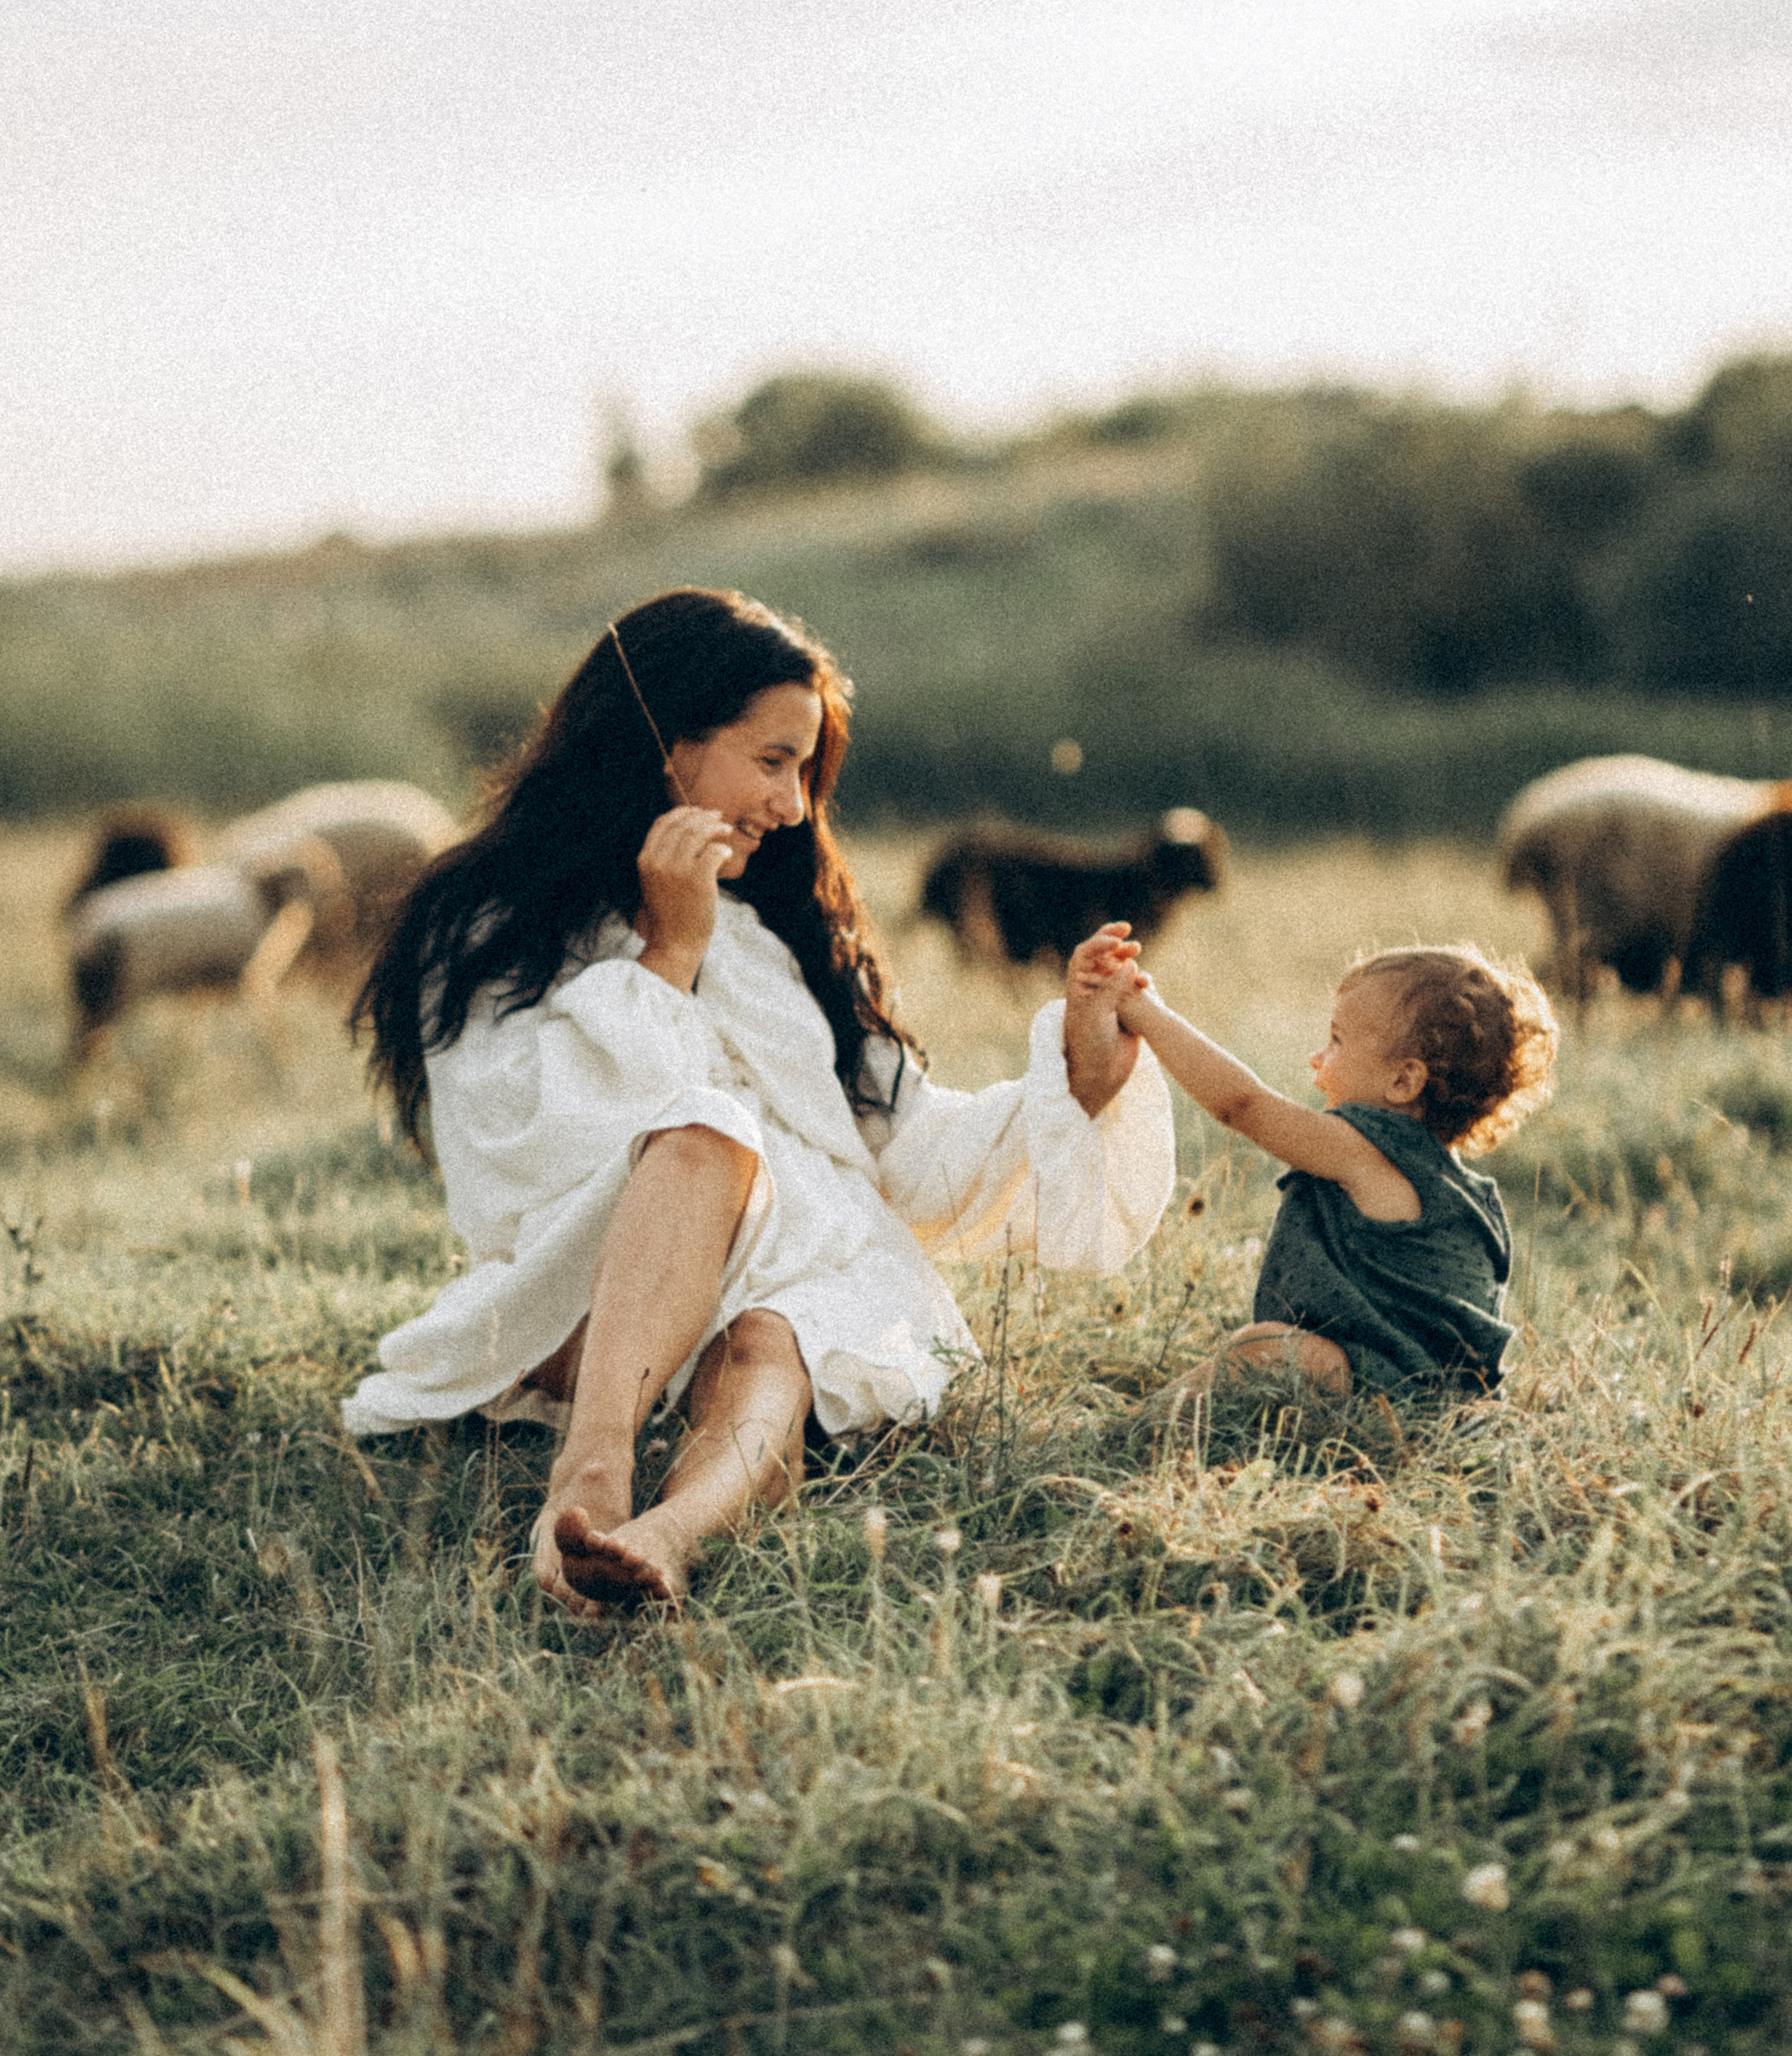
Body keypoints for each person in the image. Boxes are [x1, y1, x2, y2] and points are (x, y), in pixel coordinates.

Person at [344, 587, 1177, 1613]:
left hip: (784, 1281)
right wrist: (670, 950)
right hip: (589, 1299)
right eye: (772, 761)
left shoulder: (784, 929)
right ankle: (593, 1473)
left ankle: (668, 1533)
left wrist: (1078, 1080)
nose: (792, 806)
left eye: (803, 773)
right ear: (664, 742)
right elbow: (509, 1157)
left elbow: (905, 1154)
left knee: (779, 1333)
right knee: (706, 1134)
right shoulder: (488, 923)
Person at [1069, 931, 1557, 1402]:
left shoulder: (1369, 1147)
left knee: (1264, 1349)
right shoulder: (1456, 1184)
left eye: (1336, 1042)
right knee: (1269, 1348)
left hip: (1394, 1395)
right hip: (1423, 1396)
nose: (1316, 1058)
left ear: (1404, 1081)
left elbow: (1242, 1104)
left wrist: (1142, 1010)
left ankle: (1132, 1427)